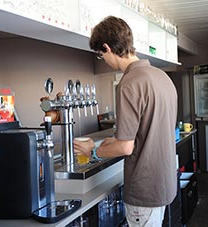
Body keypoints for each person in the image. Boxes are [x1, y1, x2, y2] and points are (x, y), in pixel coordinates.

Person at [73, 16, 178, 226]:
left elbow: (126, 147)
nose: (104, 61)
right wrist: (101, 144)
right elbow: (140, 134)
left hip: (144, 189)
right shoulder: (162, 77)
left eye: (101, 56)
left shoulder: (129, 83)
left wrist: (91, 152)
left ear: (107, 47)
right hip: (164, 182)